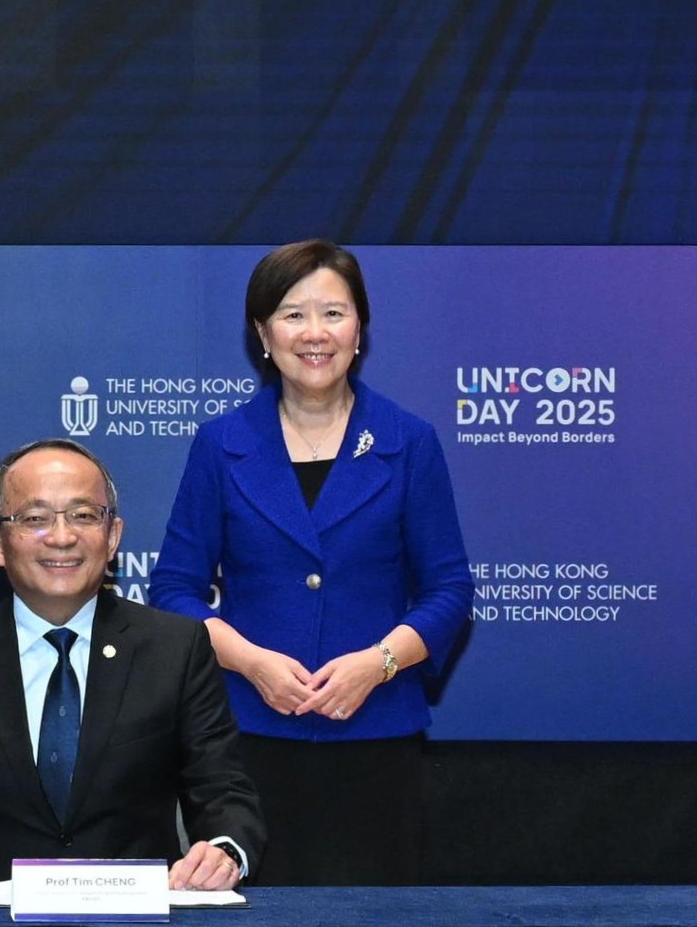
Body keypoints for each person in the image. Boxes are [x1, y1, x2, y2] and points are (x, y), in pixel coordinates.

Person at [147, 240, 472, 886]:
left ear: (360, 329)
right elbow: (174, 590)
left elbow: (448, 589)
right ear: (262, 333)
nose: (315, 333)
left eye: (333, 313)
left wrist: (376, 665)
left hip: (377, 733)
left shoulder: (408, 441)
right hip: (247, 734)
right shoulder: (220, 443)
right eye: (293, 314)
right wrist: (252, 662)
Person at [0, 437, 261, 892]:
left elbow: (224, 792)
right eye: (35, 518)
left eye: (84, 516)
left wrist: (223, 852)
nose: (62, 537)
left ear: (113, 536)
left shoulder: (175, 649)